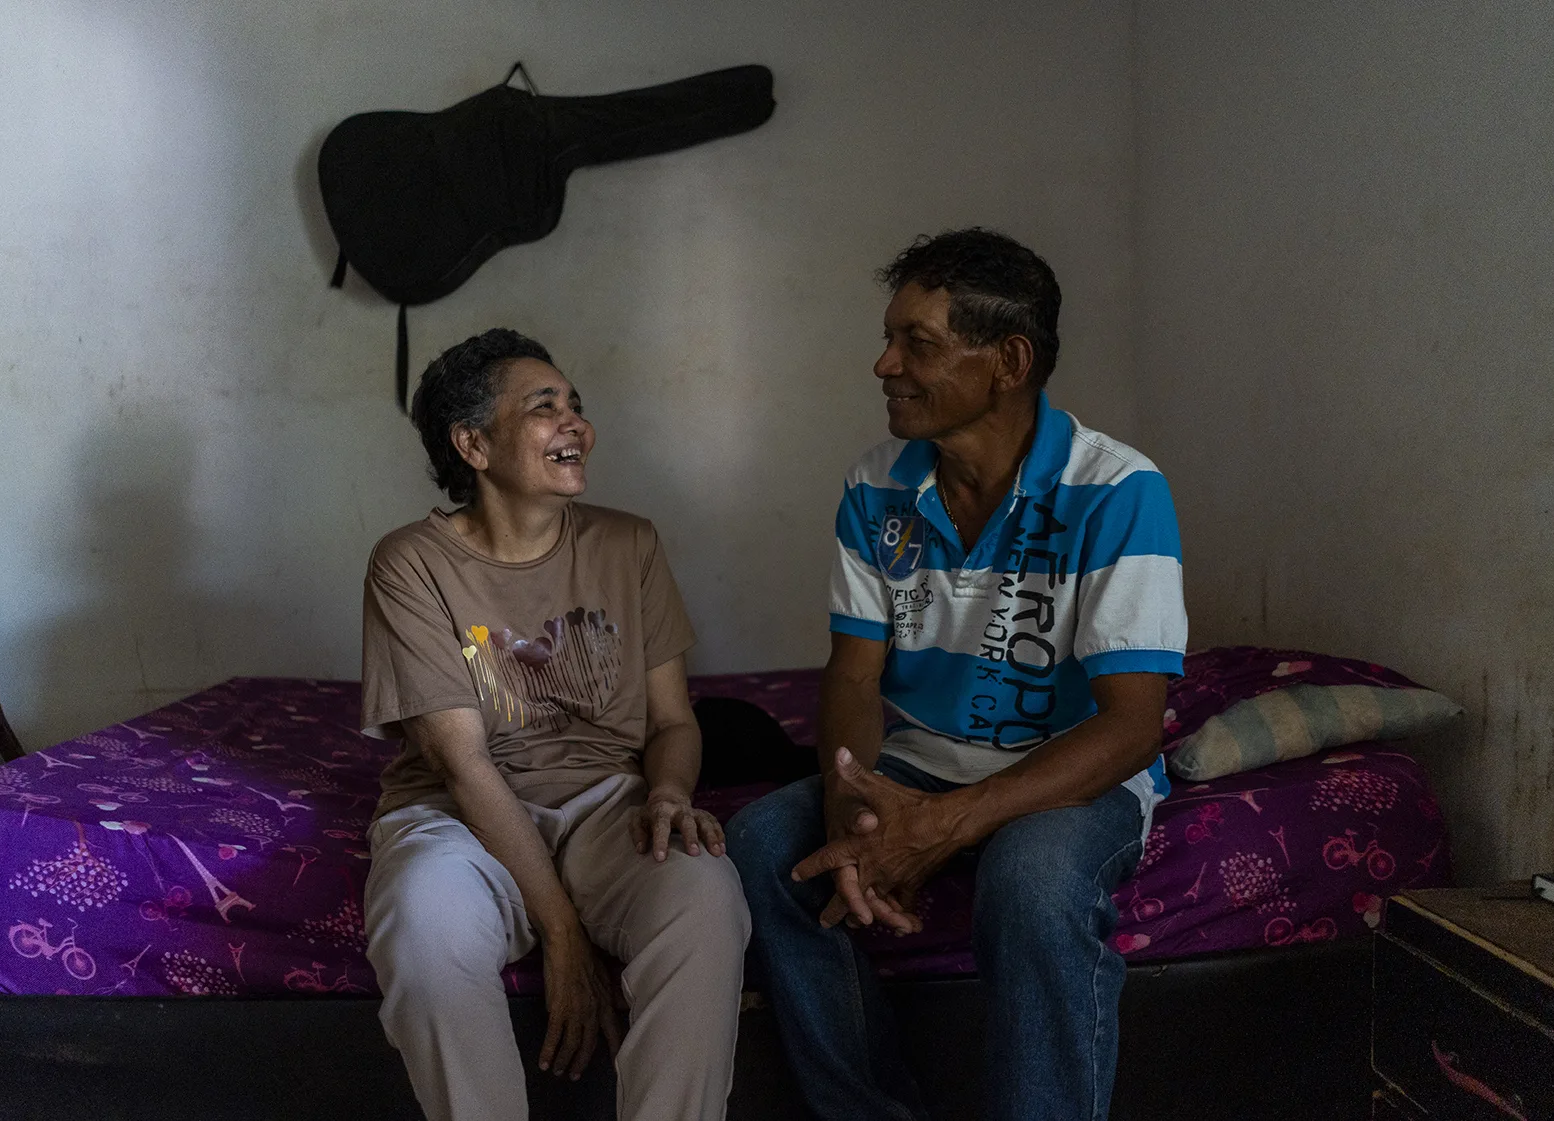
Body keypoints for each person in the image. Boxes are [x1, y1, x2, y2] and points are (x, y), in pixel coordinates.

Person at [728, 229, 1187, 1121]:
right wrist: (854, 814)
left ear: (1008, 361)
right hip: (920, 757)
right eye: (889, 336)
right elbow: (855, 678)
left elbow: (1132, 724)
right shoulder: (877, 487)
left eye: (918, 343)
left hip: (1071, 771)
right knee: (764, 847)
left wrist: (942, 827)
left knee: (1033, 883)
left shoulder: (1119, 488)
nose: (883, 363)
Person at [360, 328, 750, 1121]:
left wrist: (669, 792)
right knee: (421, 922)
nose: (576, 423)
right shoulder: (411, 563)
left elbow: (673, 720)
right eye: (545, 407)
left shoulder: (628, 542)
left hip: (609, 804)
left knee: (706, 898)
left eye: (576, 405)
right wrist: (563, 933)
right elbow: (466, 766)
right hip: (460, 818)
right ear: (472, 443)